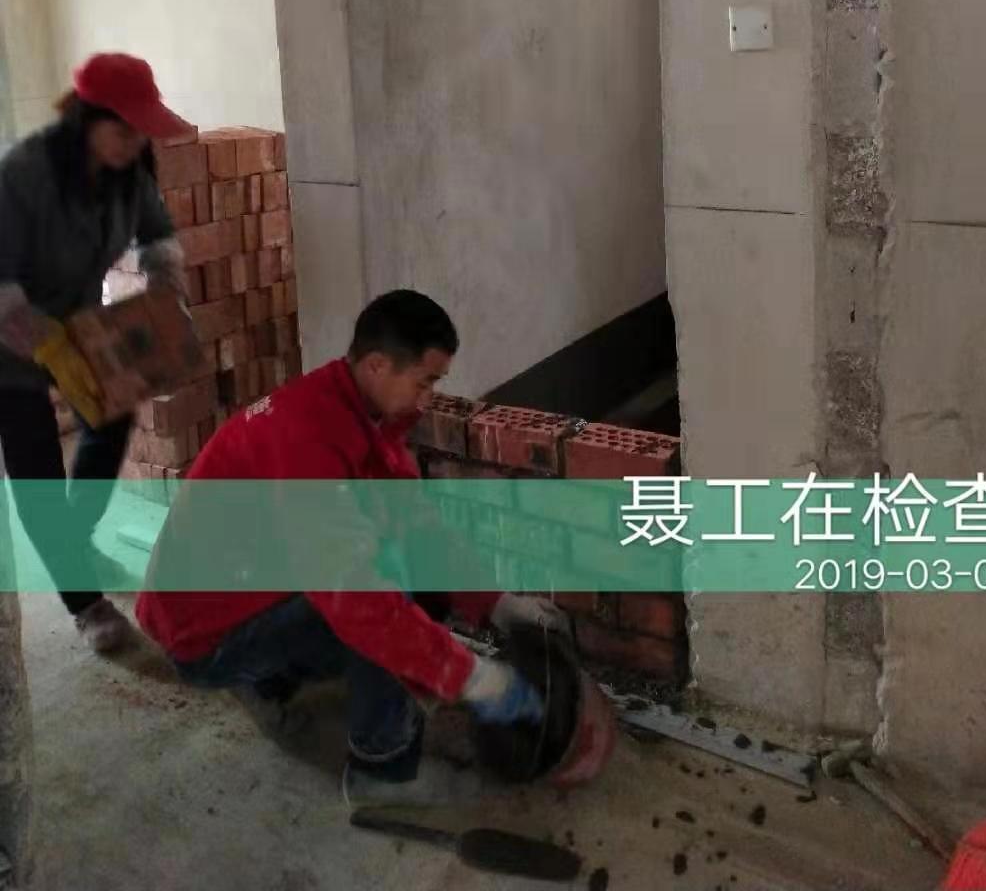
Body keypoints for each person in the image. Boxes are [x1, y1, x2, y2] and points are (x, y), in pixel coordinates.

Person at [136, 289, 567, 810]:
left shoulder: (355, 414)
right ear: (378, 365)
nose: (428, 399)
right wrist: (471, 676)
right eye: (424, 382)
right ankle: (381, 773)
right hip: (203, 632)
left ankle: (272, 679)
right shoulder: (308, 441)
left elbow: (417, 525)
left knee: (397, 574)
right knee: (378, 598)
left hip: (236, 587)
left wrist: (494, 603)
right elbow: (361, 601)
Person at [0, 52, 190, 651]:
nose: (136, 142)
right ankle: (84, 602)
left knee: (111, 416)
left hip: (74, 320)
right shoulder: (24, 174)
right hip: (7, 336)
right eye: (124, 129)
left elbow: (157, 237)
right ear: (86, 120)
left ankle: (72, 544)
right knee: (36, 469)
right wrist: (28, 326)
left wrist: (166, 298)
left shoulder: (129, 173)